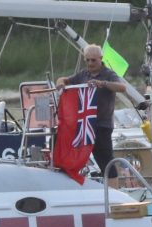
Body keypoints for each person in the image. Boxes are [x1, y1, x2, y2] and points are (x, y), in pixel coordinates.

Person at [57, 44, 133, 177]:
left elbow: (122, 87)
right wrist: (60, 82)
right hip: (84, 125)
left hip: (102, 125)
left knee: (107, 163)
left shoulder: (108, 74)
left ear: (101, 59)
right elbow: (64, 79)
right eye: (87, 60)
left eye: (93, 60)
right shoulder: (83, 74)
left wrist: (103, 83)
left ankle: (113, 192)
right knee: (70, 157)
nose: (90, 63)